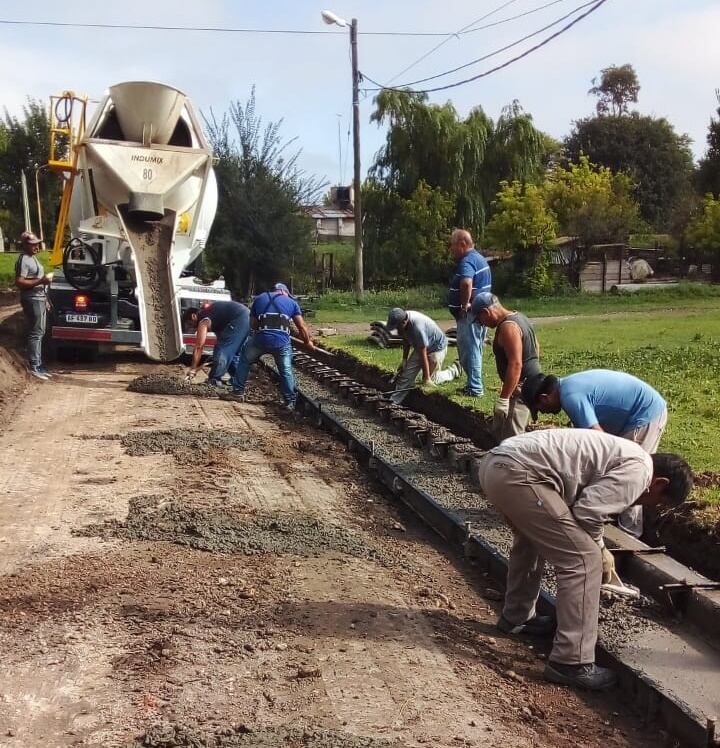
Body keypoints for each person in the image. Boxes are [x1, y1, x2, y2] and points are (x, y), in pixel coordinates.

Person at [475, 428, 692, 690]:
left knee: (531, 541)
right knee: (583, 560)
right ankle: (571, 661)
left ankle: (518, 617)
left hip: (496, 465)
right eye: (658, 502)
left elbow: (583, 508)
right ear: (661, 484)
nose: (650, 506)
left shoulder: (626, 455)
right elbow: (588, 512)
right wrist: (599, 549)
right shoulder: (641, 470)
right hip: (520, 474)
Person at [521, 370, 668, 538]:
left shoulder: (571, 397)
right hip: (633, 414)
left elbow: (599, 439)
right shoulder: (568, 388)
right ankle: (606, 514)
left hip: (644, 414)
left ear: (544, 398)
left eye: (540, 409)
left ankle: (628, 534)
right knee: (618, 470)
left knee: (633, 474)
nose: (544, 413)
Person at [222, 283, 314, 408]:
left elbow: (253, 325)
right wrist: (307, 342)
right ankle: (290, 401)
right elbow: (301, 327)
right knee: (285, 370)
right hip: (281, 342)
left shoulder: (259, 299)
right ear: (284, 292)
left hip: (260, 340)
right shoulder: (291, 303)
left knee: (244, 359)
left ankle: (237, 392)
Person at [470, 292, 540, 442]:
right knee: (503, 432)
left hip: (521, 387)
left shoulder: (508, 327)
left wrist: (505, 398)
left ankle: (512, 465)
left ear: (486, 312)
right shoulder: (520, 317)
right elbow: (536, 348)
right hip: (529, 383)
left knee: (512, 439)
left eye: (480, 320)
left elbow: (516, 363)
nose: (482, 324)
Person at [385, 307, 462, 404]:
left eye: (396, 327)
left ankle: (454, 371)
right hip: (421, 345)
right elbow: (406, 339)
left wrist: (426, 378)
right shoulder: (403, 320)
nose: (395, 330)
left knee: (431, 379)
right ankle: (394, 401)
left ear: (404, 322)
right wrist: (404, 360)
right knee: (406, 376)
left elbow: (423, 354)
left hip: (437, 348)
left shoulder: (417, 328)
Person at [447, 229, 491, 397]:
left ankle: (475, 388)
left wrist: (464, 305)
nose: (451, 249)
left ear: (462, 244)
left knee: (469, 350)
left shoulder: (467, 261)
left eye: (453, 245)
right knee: (475, 349)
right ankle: (472, 385)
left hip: (470, 315)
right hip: (479, 313)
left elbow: (466, 283)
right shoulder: (480, 259)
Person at [183, 300, 250, 387]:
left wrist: (192, 368)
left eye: (189, 323)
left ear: (193, 316)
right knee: (233, 353)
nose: (191, 327)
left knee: (222, 350)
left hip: (239, 318)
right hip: (246, 316)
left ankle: (214, 380)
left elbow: (199, 347)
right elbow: (222, 336)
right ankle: (239, 380)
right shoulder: (213, 315)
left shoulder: (203, 319)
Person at [14, 231, 51, 380]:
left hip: (40, 297)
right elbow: (20, 282)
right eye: (32, 244)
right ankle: (34, 365)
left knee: (40, 331)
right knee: (36, 332)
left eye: (36, 243)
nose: (36, 246)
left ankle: (39, 363)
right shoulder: (24, 260)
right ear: (24, 245)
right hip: (32, 298)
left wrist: (46, 297)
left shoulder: (32, 258)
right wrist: (41, 281)